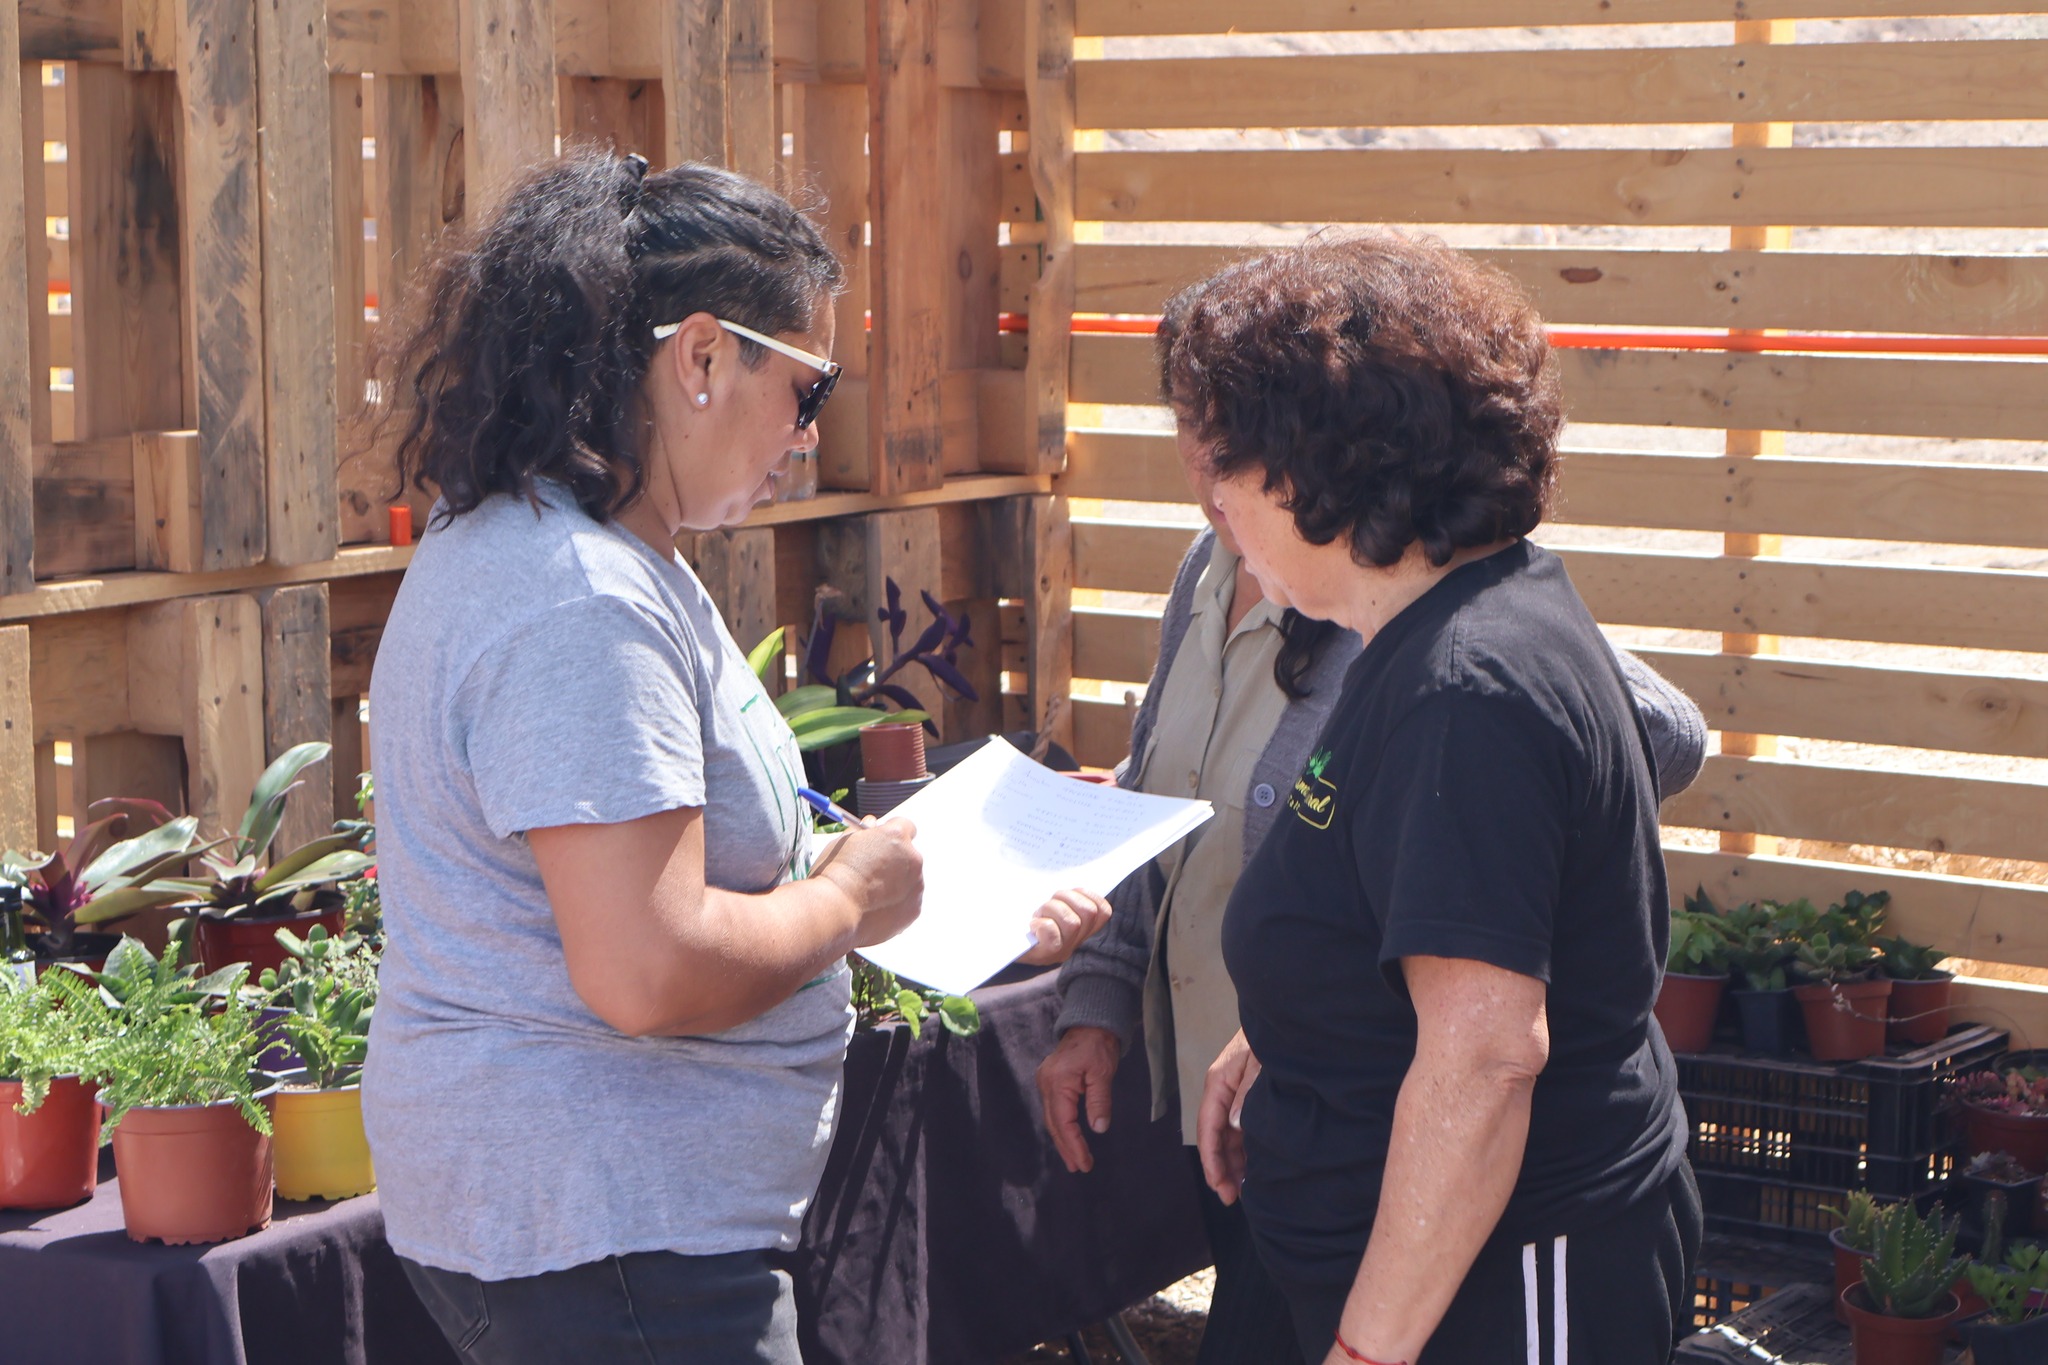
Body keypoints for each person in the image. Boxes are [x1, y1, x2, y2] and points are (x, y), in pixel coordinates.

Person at [362, 150, 1106, 1365]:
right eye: (807, 390)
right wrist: (848, 901)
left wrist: (918, 892)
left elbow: (670, 873)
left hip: (599, 1226)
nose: (809, 438)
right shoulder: (579, 601)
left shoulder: (584, 548)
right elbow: (647, 971)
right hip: (612, 1235)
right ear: (702, 357)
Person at [1037, 265, 1705, 1363]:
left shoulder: (1465, 687)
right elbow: (1402, 898)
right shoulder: (1426, 625)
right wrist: (1292, 1021)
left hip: (1505, 1277)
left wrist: (1366, 1351)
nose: (1211, 501)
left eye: (1226, 463)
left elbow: (1487, 1058)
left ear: (1312, 467)